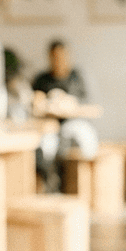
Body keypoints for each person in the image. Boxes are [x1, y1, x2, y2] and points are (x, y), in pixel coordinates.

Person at [31, 39, 97, 191]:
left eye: (62, 56)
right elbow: (33, 102)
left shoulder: (78, 78)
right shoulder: (42, 79)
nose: (59, 60)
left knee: (84, 140)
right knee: (45, 147)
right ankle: (50, 187)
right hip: (49, 126)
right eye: (55, 56)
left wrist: (70, 104)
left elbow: (90, 105)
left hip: (74, 123)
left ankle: (85, 188)